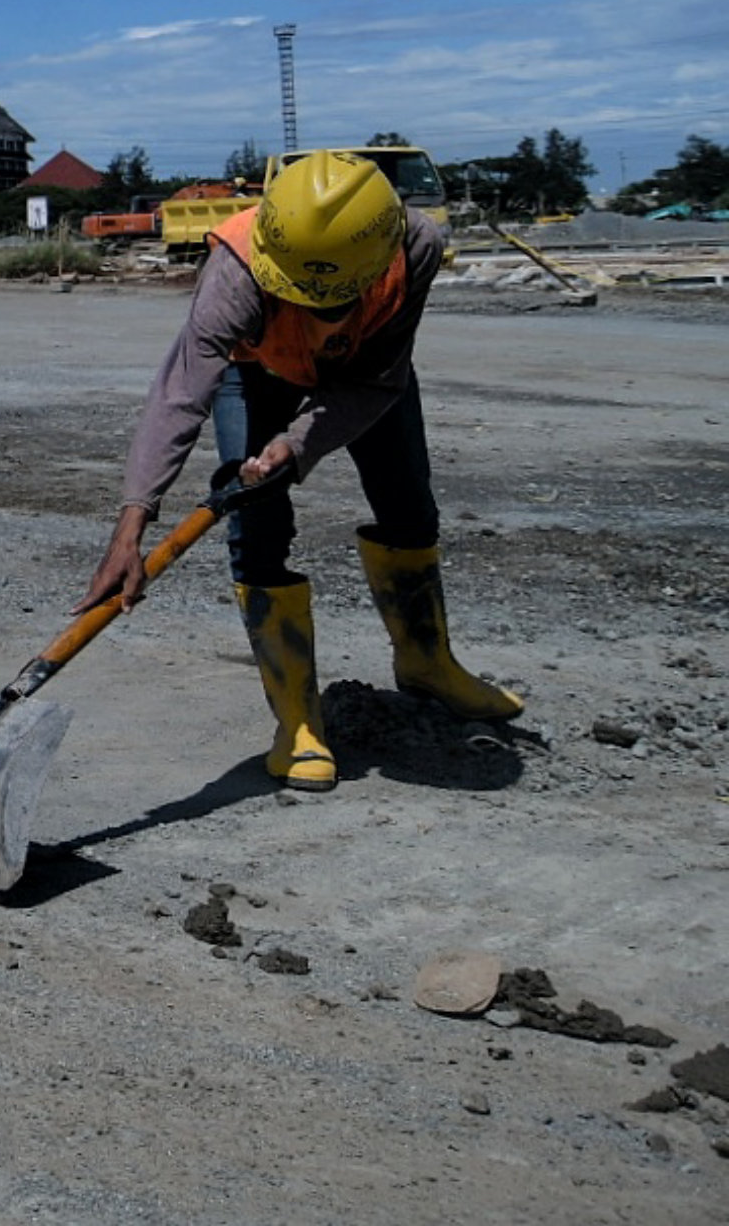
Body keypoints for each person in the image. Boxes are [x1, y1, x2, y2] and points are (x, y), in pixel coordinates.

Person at [84, 149, 519, 791]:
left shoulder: (415, 246)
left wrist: (301, 443)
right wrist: (132, 525)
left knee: (407, 504)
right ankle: (297, 722)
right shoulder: (234, 272)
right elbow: (180, 394)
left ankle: (428, 662)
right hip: (255, 374)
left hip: (366, 376)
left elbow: (378, 384)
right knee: (255, 525)